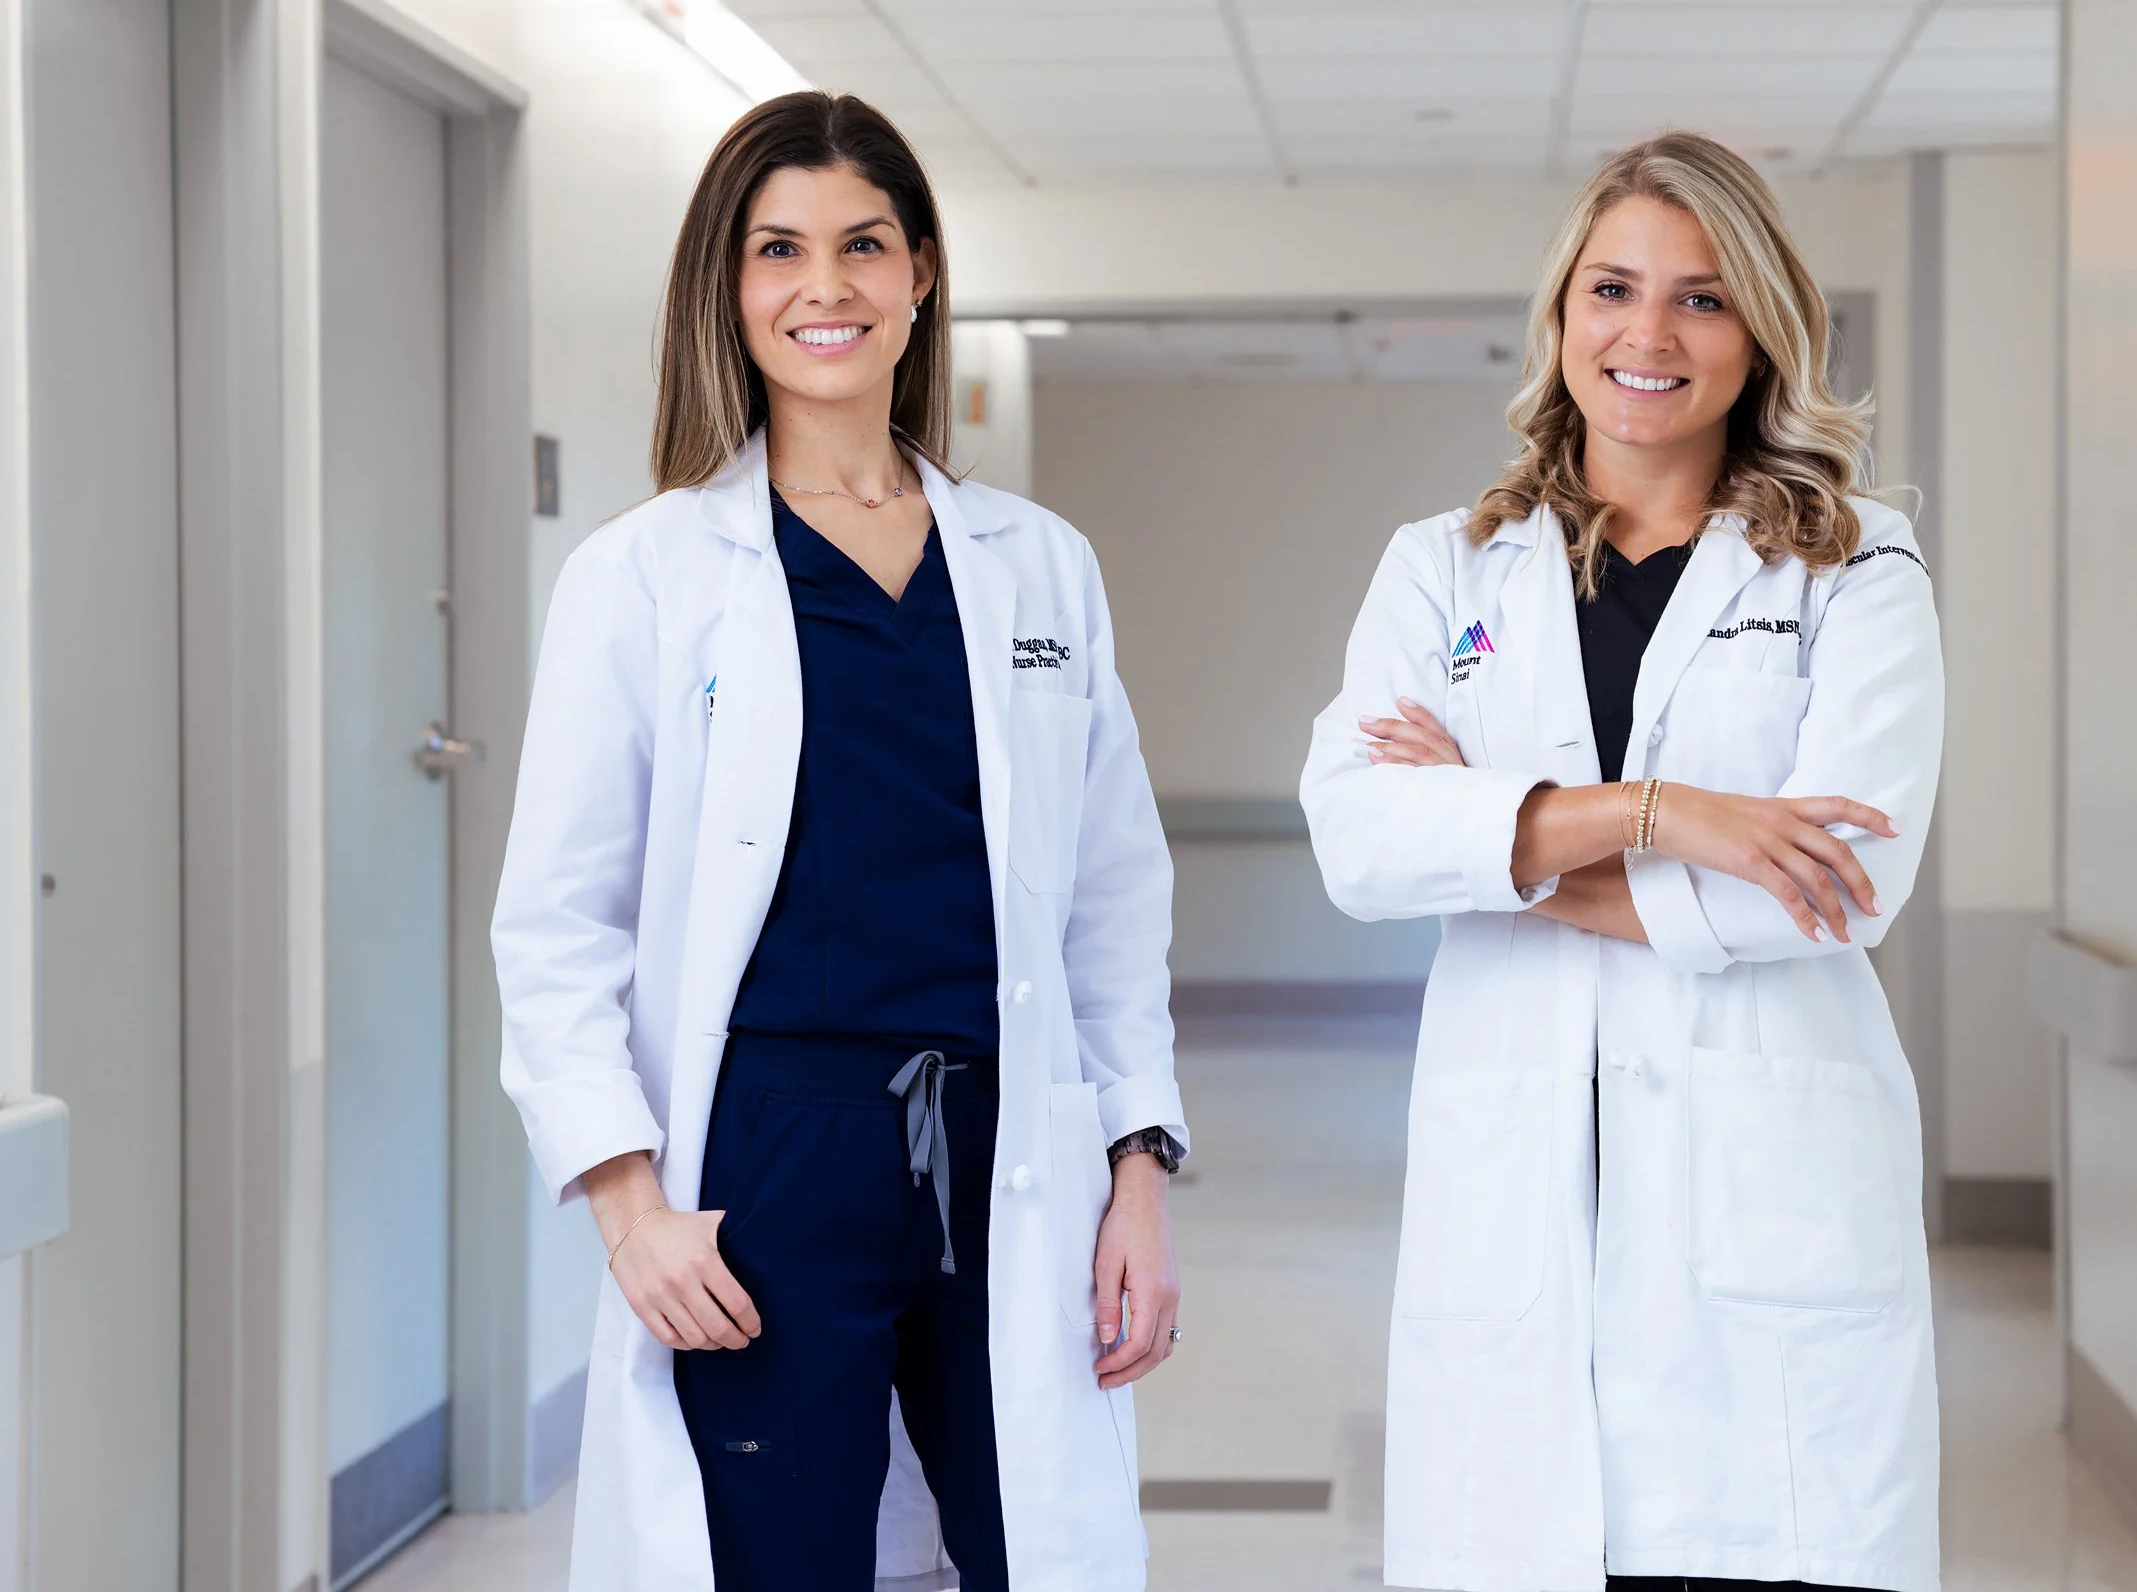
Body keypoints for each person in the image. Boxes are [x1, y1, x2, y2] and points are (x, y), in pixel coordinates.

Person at [492, 91, 1186, 1592]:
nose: (827, 289)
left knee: (1035, 1554)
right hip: (770, 1158)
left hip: (1004, 1144)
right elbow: (556, 924)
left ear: (921, 273)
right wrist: (629, 1212)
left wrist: (1137, 1169)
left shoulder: (1036, 567)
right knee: (780, 1565)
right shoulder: (650, 575)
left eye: (865, 245)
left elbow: (1114, 902)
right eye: (780, 251)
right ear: (729, 290)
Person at [1301, 129, 1945, 1592]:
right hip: (1518, 1207)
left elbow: (1838, 888)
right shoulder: (1447, 568)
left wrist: (1495, 838)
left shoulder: (1860, 569)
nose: (1648, 334)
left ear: (1762, 329)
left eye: (1704, 297)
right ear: (1561, 315)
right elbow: (1361, 841)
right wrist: (1677, 814)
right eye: (1614, 289)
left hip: (1763, 1255)